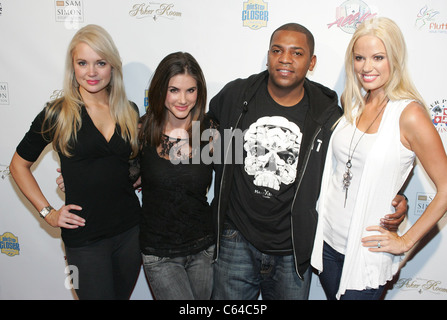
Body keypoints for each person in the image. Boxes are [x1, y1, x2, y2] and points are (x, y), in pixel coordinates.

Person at [208, 22, 407, 300]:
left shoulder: (328, 114)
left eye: (297, 53)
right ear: (268, 55)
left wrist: (395, 194)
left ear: (311, 62)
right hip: (237, 239)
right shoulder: (236, 96)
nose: (285, 59)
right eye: (277, 50)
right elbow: (206, 129)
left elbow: (353, 162)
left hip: (294, 247)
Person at [311, 17, 447, 300]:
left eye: (378, 57)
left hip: (366, 254)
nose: (366, 67)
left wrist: (406, 240)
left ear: (394, 59)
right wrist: (399, 198)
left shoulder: (410, 114)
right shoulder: (355, 102)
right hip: (327, 245)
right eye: (359, 57)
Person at [9, 25, 142, 300]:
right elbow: (17, 166)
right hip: (84, 240)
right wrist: (49, 213)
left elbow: (126, 166)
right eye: (83, 63)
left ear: (112, 66)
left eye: (100, 63)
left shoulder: (129, 111)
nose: (91, 72)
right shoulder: (57, 114)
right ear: (73, 66)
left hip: (131, 232)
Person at [137, 52, 216, 300]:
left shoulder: (211, 131)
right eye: (174, 90)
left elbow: (238, 177)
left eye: (190, 90)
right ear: (161, 90)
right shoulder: (141, 130)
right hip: (159, 254)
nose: (183, 100)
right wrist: (77, 177)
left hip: (204, 249)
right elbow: (115, 174)